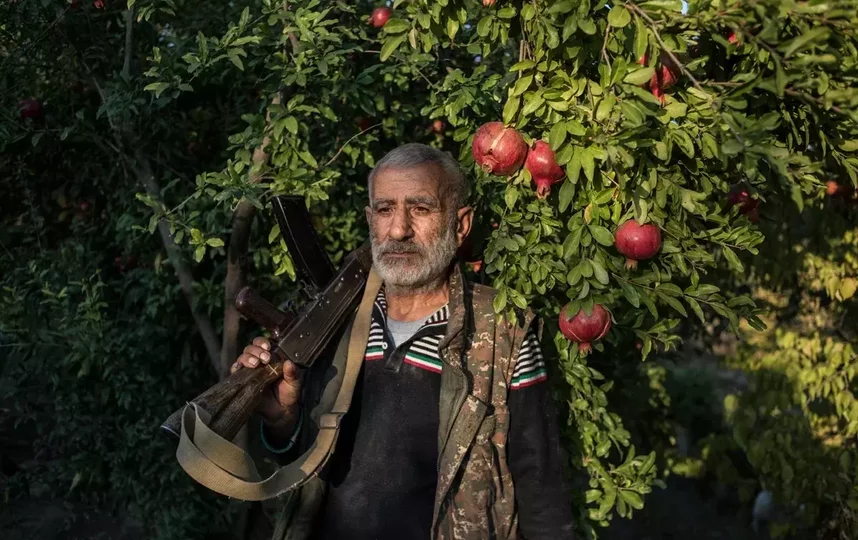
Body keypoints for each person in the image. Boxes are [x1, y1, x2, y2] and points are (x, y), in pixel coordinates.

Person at [231, 143, 575, 540]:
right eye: (385, 209)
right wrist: (281, 421)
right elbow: (304, 468)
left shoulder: (503, 332)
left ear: (460, 225)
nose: (399, 230)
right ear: (369, 219)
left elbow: (541, 488)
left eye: (421, 209)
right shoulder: (337, 322)